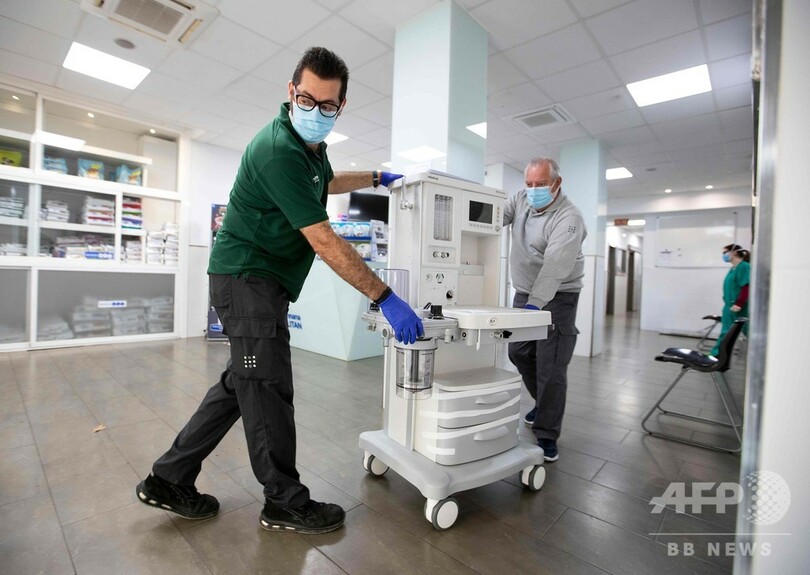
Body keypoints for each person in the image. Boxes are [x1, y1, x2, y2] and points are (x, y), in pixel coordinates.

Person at [135, 47, 423, 535]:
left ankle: (168, 478)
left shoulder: (310, 149)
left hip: (254, 282)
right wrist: (384, 296)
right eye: (307, 99)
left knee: (241, 384)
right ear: (291, 92)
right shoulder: (278, 150)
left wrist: (375, 176)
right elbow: (323, 239)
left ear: (340, 106)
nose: (315, 111)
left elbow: (327, 180)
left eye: (327, 105)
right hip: (247, 280)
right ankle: (284, 501)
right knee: (268, 388)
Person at [504, 157, 586, 463]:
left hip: (559, 296)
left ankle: (547, 433)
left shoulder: (569, 218)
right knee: (519, 352)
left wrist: (534, 307)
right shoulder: (520, 199)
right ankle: (544, 402)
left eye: (541, 184)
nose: (533, 190)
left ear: (556, 183)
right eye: (529, 183)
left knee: (551, 367)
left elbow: (555, 268)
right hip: (525, 291)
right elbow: (493, 217)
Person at [710, 244, 750, 357]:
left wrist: (739, 303)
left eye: (725, 252)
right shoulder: (733, 269)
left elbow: (746, 286)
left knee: (748, 332)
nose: (724, 255)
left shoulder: (744, 267)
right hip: (729, 306)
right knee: (725, 332)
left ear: (734, 252)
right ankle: (717, 355)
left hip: (738, 307)